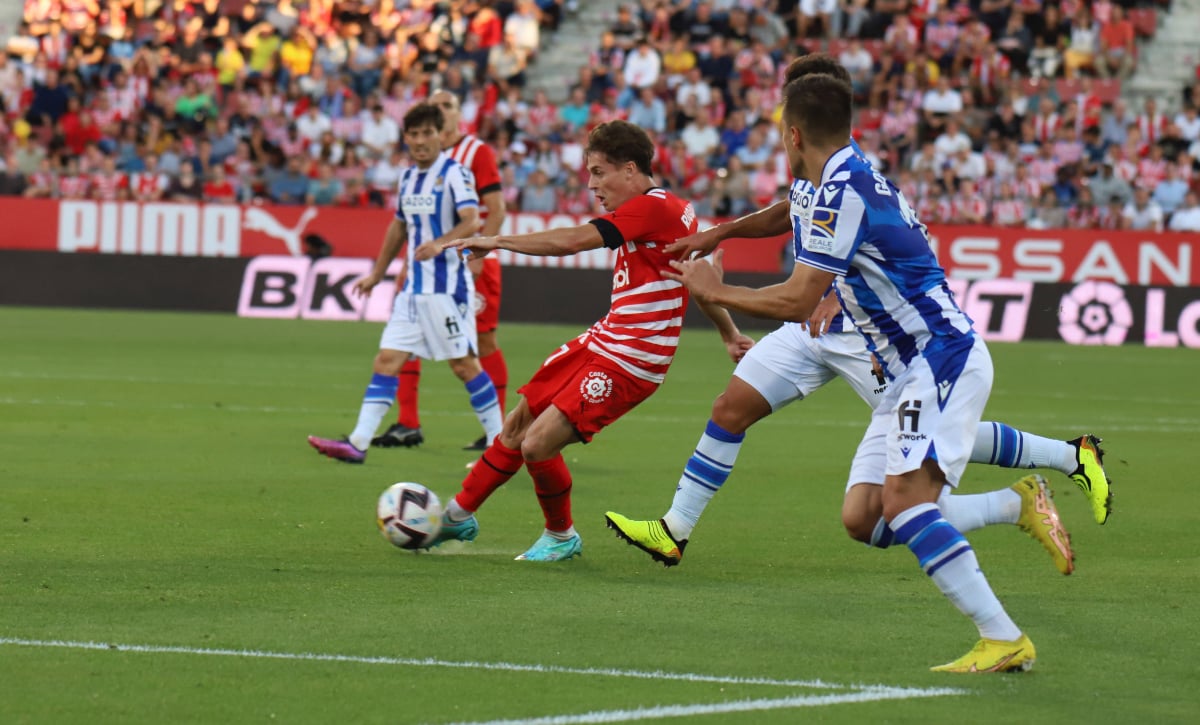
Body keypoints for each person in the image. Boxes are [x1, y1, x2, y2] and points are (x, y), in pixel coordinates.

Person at [612, 61, 1097, 672]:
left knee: (908, 504)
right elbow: (790, 220)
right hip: (903, 370)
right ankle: (1014, 503)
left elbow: (797, 298)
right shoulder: (837, 175)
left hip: (938, 358)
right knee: (864, 518)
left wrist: (715, 291)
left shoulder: (844, 191)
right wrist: (720, 236)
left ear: (793, 135)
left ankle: (1003, 637)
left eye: (781, 133)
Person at [429, 120, 753, 562]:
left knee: (537, 444)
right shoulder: (673, 210)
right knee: (518, 424)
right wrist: (729, 334)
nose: (591, 185)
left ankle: (561, 536)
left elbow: (573, 240)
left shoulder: (654, 208)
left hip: (633, 359)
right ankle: (456, 515)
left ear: (630, 170)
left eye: (599, 172)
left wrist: (498, 240)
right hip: (604, 340)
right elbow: (697, 281)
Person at [307, 103, 503, 464]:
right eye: (413, 134)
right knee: (386, 360)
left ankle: (499, 446)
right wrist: (377, 273)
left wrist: (439, 243)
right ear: (406, 139)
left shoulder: (455, 173)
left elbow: (472, 221)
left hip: (446, 289)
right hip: (412, 291)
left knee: (464, 366)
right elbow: (399, 226)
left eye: (427, 133)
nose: (420, 141)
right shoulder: (408, 177)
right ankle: (358, 443)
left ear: (440, 135)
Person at [373, 90, 511, 452]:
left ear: (458, 114)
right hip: (423, 266)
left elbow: (496, 208)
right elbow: (406, 221)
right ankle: (408, 422)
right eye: (435, 105)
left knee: (481, 344)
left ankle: (498, 432)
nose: (441, 110)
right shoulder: (419, 161)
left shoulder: (476, 152)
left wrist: (480, 253)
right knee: (403, 340)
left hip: (468, 262)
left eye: (448, 105)